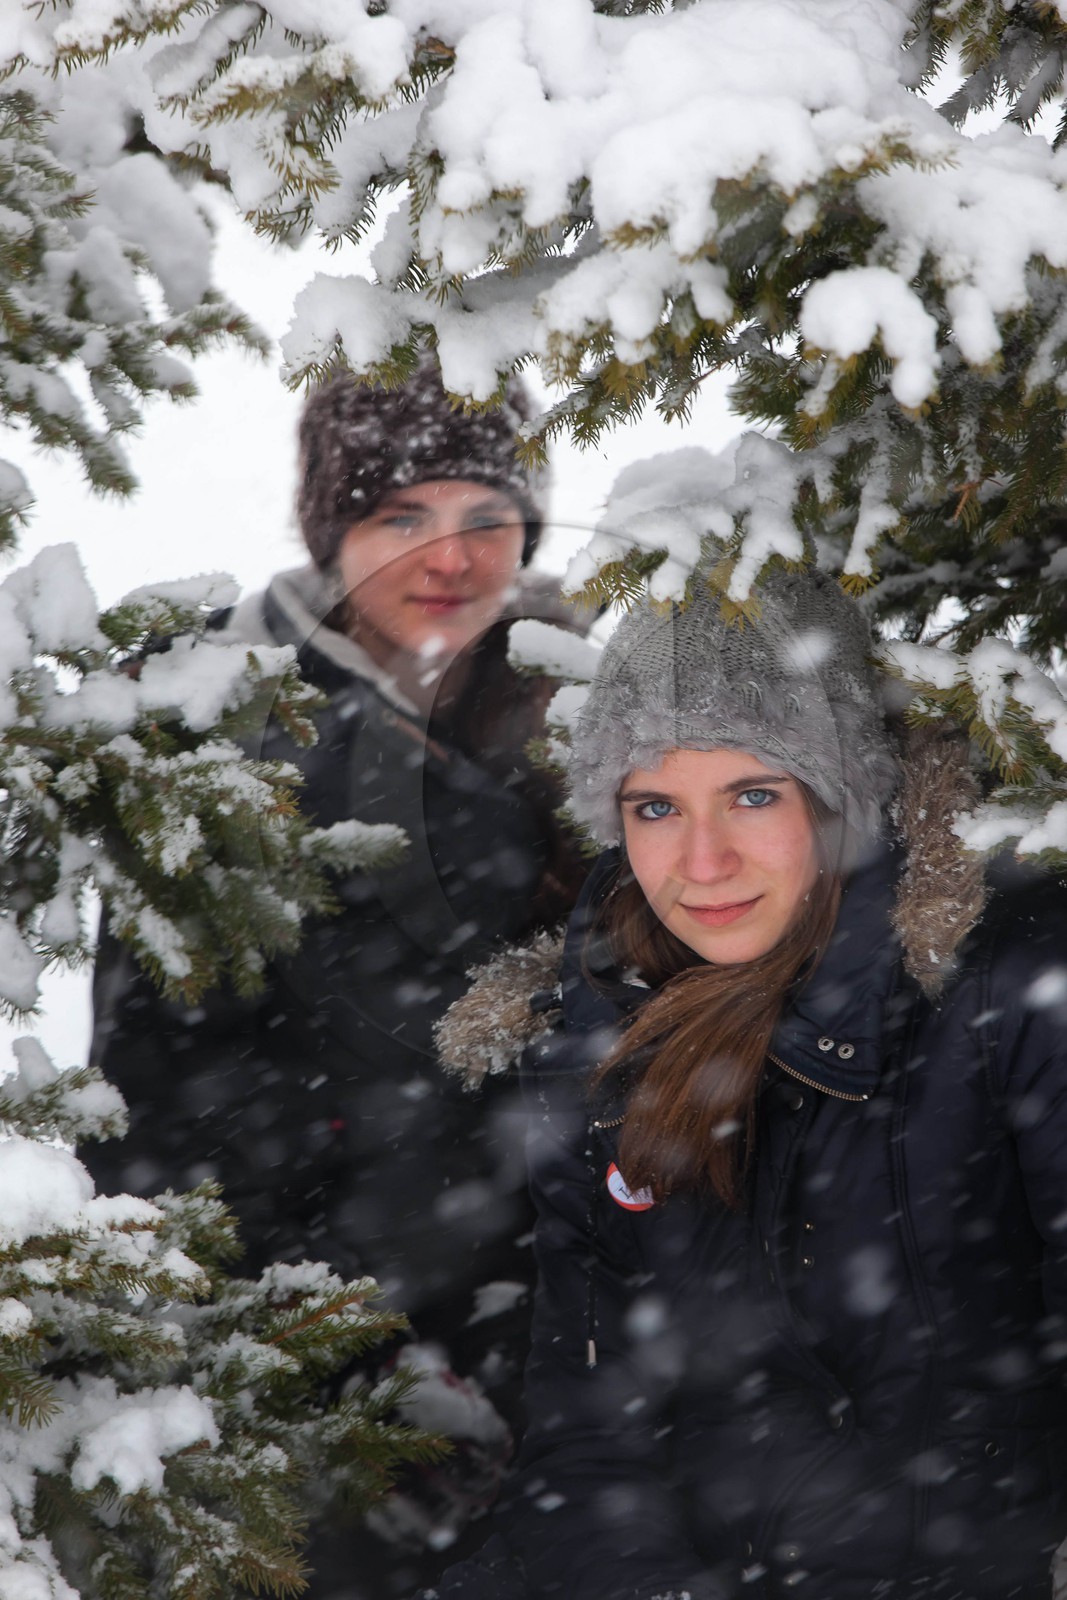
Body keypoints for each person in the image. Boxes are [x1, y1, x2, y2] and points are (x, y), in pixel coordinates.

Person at [431, 561, 1067, 1599]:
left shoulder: (1009, 987)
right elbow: (587, 1447)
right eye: (654, 807)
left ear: (842, 795)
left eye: (753, 794)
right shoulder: (597, 1032)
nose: (701, 861)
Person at [84, 360, 590, 1597]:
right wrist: (348, 1370)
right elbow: (164, 1114)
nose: (450, 557)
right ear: (330, 531)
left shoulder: (586, 715)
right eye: (399, 516)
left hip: (566, 1353)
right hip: (334, 1376)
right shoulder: (225, 749)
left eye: (486, 516)